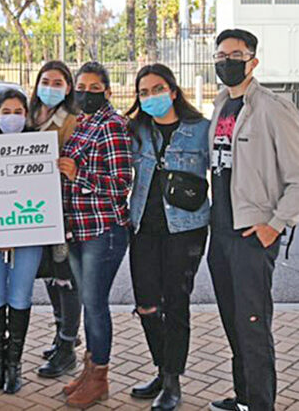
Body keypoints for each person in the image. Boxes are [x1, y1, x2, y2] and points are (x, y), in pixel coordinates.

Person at [207, 29, 299, 411]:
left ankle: (261, 405)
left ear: (253, 61)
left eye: (236, 54)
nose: (227, 61)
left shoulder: (272, 107)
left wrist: (274, 225)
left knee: (253, 324)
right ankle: (243, 398)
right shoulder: (220, 103)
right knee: (233, 321)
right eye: (221, 55)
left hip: (252, 234)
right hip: (221, 232)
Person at [125, 63, 210, 411]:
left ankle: (172, 382)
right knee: (146, 304)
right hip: (143, 226)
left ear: (173, 91)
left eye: (157, 89)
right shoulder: (136, 130)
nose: (151, 97)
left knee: (176, 305)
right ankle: (163, 369)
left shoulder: (201, 129)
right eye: (144, 92)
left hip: (186, 229)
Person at [58, 61, 133, 408]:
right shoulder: (83, 123)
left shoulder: (112, 126)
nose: (86, 94)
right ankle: (90, 372)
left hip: (104, 230)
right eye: (81, 87)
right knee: (89, 303)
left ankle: (99, 376)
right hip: (79, 227)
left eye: (94, 88)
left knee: (95, 305)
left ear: (107, 91)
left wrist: (78, 176)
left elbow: (121, 184)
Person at [0, 88, 43, 395]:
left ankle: (14, 365)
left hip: (28, 237)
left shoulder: (38, 145)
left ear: (26, 115)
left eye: (18, 112)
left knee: (20, 297)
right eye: (6, 112)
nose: (12, 117)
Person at [27, 60, 83, 379]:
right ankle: (62, 332)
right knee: (50, 275)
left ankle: (67, 349)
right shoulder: (30, 116)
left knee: (66, 277)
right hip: (35, 211)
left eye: (57, 82)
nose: (49, 87)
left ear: (68, 87)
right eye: (45, 81)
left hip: (63, 211)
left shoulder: (71, 120)